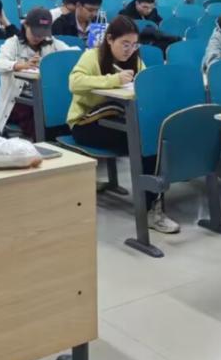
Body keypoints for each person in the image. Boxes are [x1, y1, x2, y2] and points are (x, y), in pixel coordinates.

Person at [66, 16, 178, 234]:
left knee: (151, 139)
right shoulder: (92, 56)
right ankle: (150, 210)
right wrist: (113, 80)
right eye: (125, 44)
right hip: (86, 123)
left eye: (134, 44)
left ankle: (153, 203)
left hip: (117, 120)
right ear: (109, 39)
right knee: (143, 142)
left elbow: (145, 84)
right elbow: (74, 82)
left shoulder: (135, 60)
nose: (130, 50)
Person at [0, 7, 72, 137]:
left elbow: (73, 54)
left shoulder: (52, 43)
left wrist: (51, 64)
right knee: (39, 119)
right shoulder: (13, 43)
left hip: (44, 98)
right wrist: (20, 65)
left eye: (42, 34)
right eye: (35, 33)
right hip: (19, 100)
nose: (38, 37)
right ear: (25, 25)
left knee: (63, 113)